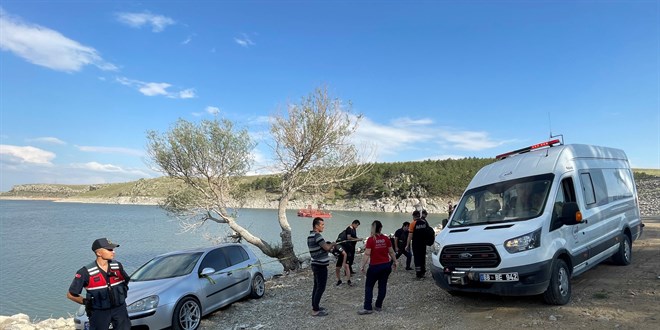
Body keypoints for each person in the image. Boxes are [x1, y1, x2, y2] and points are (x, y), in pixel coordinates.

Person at [67, 238, 131, 330]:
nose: (113, 252)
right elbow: (70, 295)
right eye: (109, 249)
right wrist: (86, 302)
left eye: (113, 249)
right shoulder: (85, 272)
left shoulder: (117, 266)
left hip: (120, 310)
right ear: (98, 253)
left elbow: (126, 281)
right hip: (99, 313)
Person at [357, 220, 397, 315]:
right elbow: (391, 251)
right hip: (386, 266)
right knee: (382, 286)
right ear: (381, 228)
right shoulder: (386, 239)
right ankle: (378, 305)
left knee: (369, 286)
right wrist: (395, 261)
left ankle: (367, 307)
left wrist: (362, 266)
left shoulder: (371, 240)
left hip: (375, 266)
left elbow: (367, 254)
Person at [307, 217, 336, 317]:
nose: (323, 226)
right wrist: (332, 244)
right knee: (321, 287)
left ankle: (315, 306)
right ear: (316, 226)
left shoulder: (310, 236)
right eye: (322, 225)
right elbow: (327, 247)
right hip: (320, 266)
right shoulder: (317, 236)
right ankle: (315, 310)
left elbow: (320, 250)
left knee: (316, 286)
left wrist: (327, 248)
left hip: (315, 264)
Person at [405, 210, 429, 279]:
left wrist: (407, 245)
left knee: (417, 258)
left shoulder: (413, 224)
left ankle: (418, 274)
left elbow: (410, 236)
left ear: (414, 216)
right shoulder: (424, 222)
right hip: (423, 243)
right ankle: (423, 272)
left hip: (416, 244)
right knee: (422, 257)